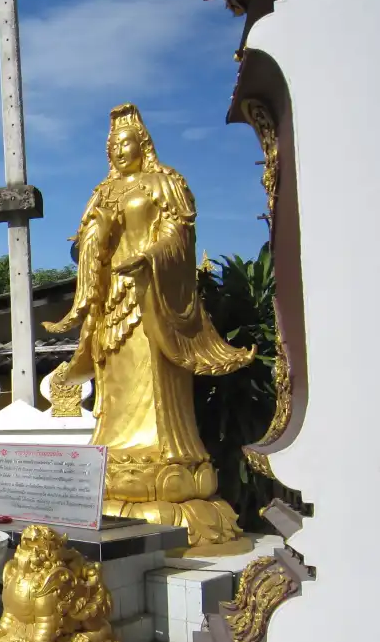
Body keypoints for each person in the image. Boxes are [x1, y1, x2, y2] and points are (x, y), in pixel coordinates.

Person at [44, 103, 254, 554]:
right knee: (113, 393)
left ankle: (171, 460)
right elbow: (86, 242)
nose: (120, 152)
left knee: (156, 382)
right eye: (113, 146)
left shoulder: (166, 183)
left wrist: (152, 257)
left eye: (127, 144)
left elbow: (180, 235)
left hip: (153, 297)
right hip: (114, 303)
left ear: (144, 145)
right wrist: (94, 235)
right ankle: (116, 462)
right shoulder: (102, 192)